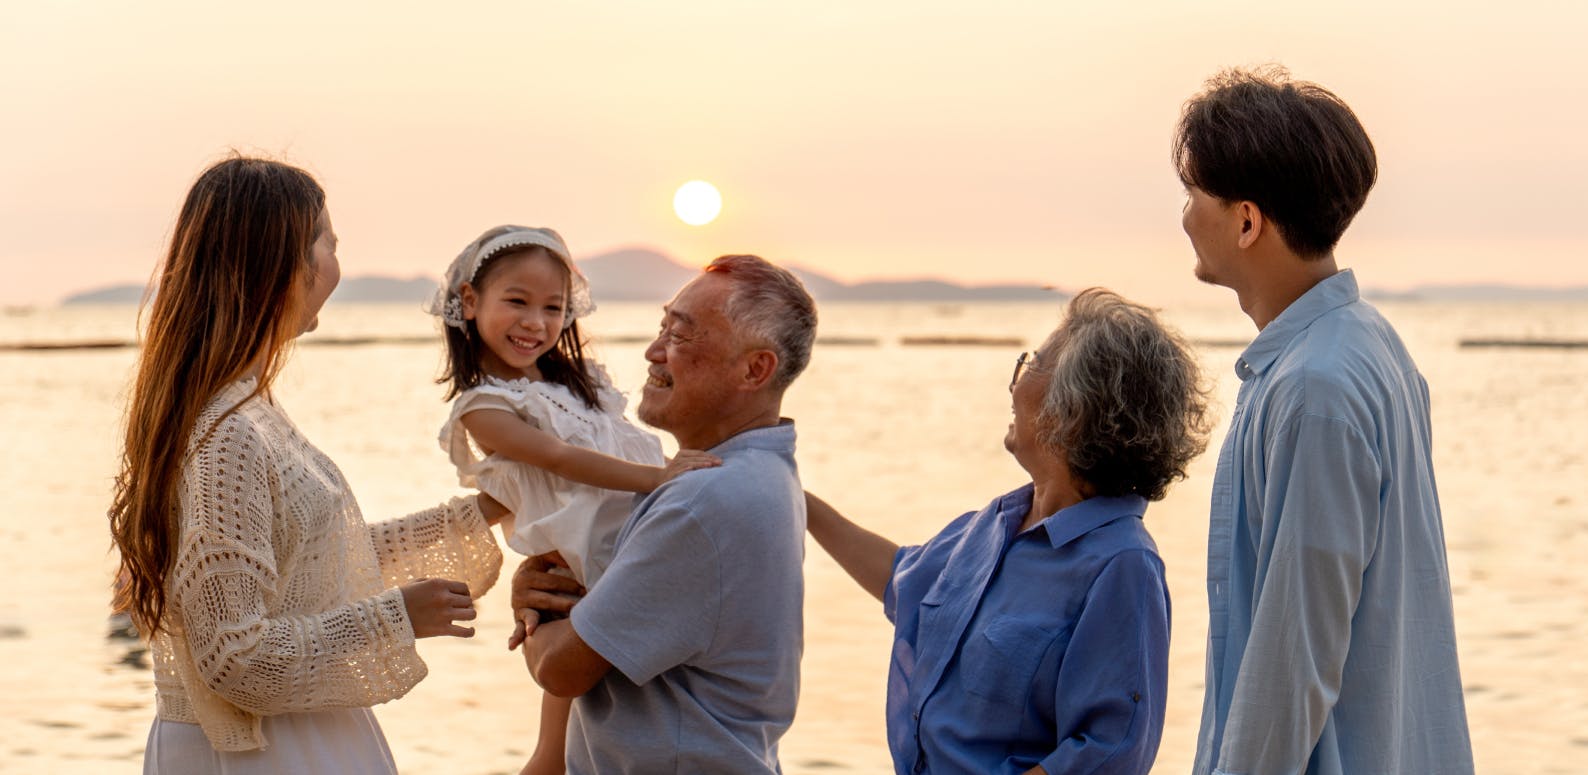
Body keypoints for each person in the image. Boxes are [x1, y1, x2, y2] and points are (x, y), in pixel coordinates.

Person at [108, 156, 509, 774]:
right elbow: (235, 658)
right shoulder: (227, 434)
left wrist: (481, 512)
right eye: (329, 242)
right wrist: (395, 615)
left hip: (297, 740)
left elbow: (310, 568)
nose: (336, 264)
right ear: (281, 266)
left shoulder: (246, 407)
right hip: (263, 754)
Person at [1175, 66, 1476, 774]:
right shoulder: (1366, 349)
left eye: (1193, 195)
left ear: (1246, 221)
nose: (1185, 217)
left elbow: (1293, 655)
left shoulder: (1314, 387)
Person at [804, 288, 1210, 775]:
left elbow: (1109, 751)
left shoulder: (1121, 564)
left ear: (1070, 412)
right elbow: (903, 580)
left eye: (1032, 363)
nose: (1015, 385)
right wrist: (795, 500)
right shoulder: (1000, 522)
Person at [510, 254, 817, 774]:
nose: (654, 352)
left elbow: (563, 670)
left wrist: (531, 611)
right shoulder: (760, 474)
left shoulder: (705, 500)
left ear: (754, 369)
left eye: (680, 336)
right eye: (661, 327)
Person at [428, 224, 718, 773]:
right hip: (586, 544)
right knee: (561, 729)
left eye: (553, 308)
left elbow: (611, 441)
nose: (536, 323)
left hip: (629, 525)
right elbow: (559, 460)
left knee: (610, 706)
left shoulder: (577, 380)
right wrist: (657, 479)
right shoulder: (484, 407)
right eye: (517, 301)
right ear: (470, 301)